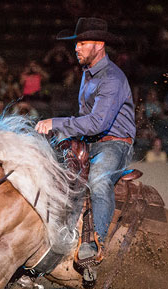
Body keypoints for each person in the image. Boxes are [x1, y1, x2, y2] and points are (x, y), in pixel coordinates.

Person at [35, 17, 134, 261]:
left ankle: (95, 244)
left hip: (115, 144)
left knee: (99, 181)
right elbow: (86, 120)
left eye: (82, 43)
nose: (75, 48)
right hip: (91, 142)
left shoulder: (112, 78)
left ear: (98, 45)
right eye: (76, 43)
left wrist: (56, 123)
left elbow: (97, 123)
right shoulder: (88, 73)